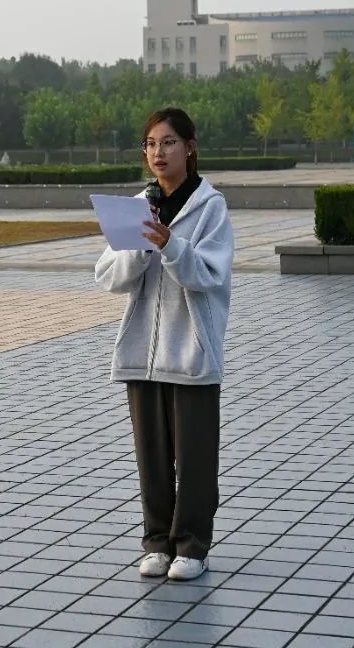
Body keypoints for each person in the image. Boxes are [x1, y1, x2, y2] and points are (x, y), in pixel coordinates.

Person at [94, 107, 234, 581]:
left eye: (168, 142)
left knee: (194, 459)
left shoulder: (210, 207)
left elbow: (208, 275)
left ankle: (192, 545)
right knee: (151, 458)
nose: (158, 152)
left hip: (192, 352)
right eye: (150, 144)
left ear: (190, 148)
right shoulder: (138, 206)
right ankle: (157, 542)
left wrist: (171, 244)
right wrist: (139, 248)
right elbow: (108, 276)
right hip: (143, 353)